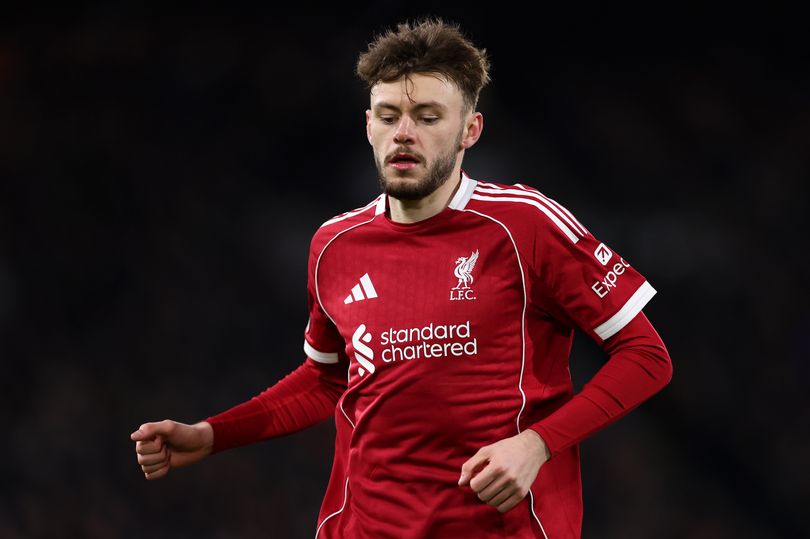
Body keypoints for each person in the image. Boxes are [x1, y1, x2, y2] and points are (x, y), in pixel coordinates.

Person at [131, 18, 672, 538]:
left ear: (470, 130)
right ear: (369, 126)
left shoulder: (524, 224)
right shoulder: (334, 244)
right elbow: (327, 379)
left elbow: (646, 357)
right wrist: (211, 435)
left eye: (428, 117)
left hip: (500, 529)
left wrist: (536, 444)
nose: (404, 134)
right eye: (388, 116)